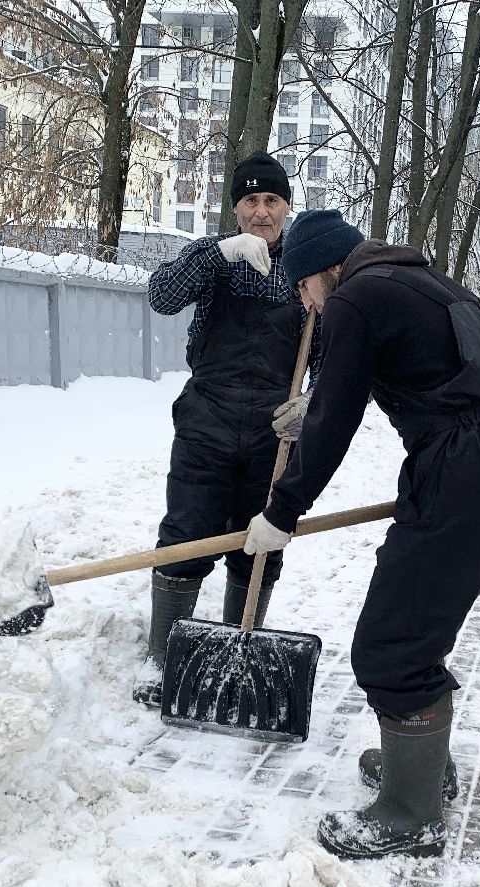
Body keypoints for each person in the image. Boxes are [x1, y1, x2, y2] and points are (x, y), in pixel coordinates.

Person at [243, 210, 480, 860]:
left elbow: (337, 423)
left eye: (303, 286)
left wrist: (281, 512)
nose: (306, 303)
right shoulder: (427, 282)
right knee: (412, 630)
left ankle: (412, 813)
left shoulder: (355, 298)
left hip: (463, 476)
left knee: (391, 646)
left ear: (327, 269)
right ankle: (421, 770)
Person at [135, 151, 312, 706]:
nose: (261, 212)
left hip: (272, 432)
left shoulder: (306, 267)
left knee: (259, 544)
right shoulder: (213, 256)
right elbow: (162, 296)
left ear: (286, 206)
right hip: (207, 421)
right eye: (250, 200)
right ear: (235, 208)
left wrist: (310, 404)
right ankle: (165, 661)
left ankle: (239, 653)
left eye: (272, 200)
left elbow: (330, 349)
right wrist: (218, 254)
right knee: (185, 537)